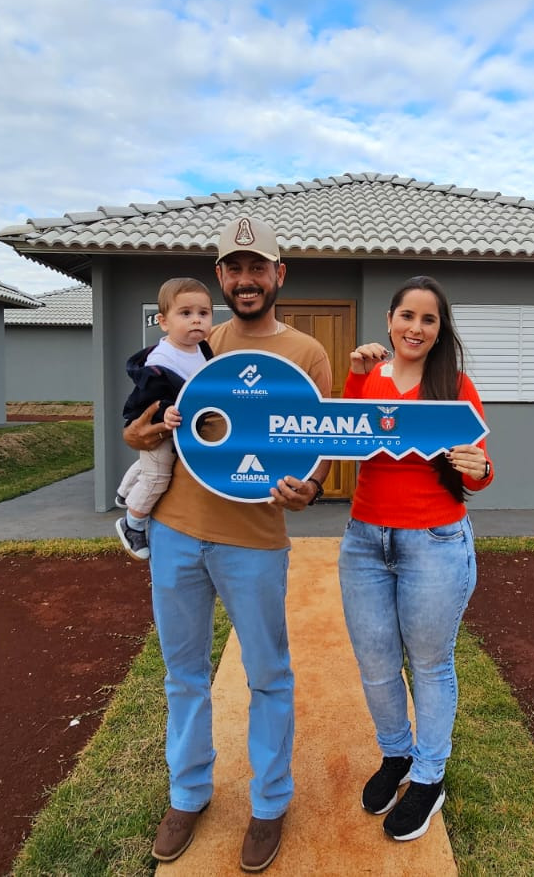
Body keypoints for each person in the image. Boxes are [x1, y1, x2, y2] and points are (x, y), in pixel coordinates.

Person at [123, 215, 332, 873]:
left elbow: (318, 442)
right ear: (220, 278)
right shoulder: (193, 342)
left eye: (257, 267)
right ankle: (188, 794)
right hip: (177, 533)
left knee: (268, 677)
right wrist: (144, 433)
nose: (246, 279)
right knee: (183, 677)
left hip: (255, 543)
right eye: (233, 268)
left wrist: (313, 485)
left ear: (279, 274)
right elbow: (143, 427)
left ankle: (269, 804)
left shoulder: (305, 353)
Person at [339, 275, 493, 842]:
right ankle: (396, 755)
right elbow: (346, 436)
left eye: (429, 320)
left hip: (434, 540)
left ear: (439, 329)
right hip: (364, 540)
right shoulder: (369, 375)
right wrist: (356, 373)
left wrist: (480, 469)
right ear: (389, 320)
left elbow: (479, 466)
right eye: (407, 316)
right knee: (376, 664)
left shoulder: (454, 385)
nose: (416, 328)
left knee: (429, 664)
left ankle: (429, 776)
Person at [113, 277, 215, 561]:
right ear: (163, 321)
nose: (196, 320)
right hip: (161, 425)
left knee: (150, 465)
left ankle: (124, 493)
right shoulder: (161, 359)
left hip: (181, 426)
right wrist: (165, 411)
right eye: (185, 313)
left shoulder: (202, 350)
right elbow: (148, 397)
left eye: (203, 313)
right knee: (157, 476)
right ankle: (131, 522)